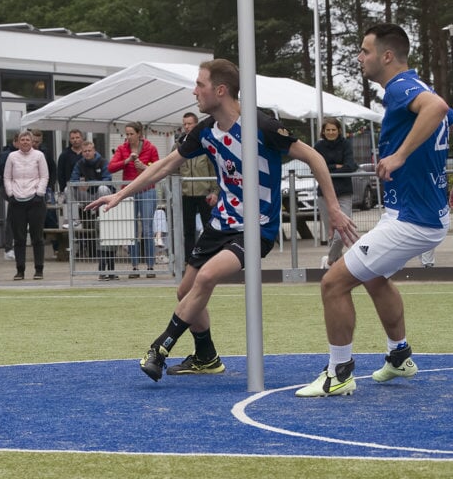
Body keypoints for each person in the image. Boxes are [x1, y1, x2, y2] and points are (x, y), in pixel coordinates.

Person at [86, 58, 356, 382]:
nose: (194, 92)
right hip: (221, 223)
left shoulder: (262, 126)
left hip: (257, 227)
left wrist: (335, 209)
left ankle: (159, 348)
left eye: (200, 85)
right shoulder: (205, 131)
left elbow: (314, 157)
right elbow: (166, 165)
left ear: (221, 90)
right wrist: (120, 195)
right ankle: (206, 356)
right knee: (185, 291)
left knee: (206, 278)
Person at [296, 23, 450, 397]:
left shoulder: (402, 86)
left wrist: (399, 154)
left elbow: (439, 107)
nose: (360, 58)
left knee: (333, 283)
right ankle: (399, 355)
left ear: (386, 56)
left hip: (414, 219)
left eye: (365, 51)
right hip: (417, 213)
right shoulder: (411, 88)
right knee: (372, 276)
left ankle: (339, 372)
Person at [107, 121, 160, 278]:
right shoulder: (122, 149)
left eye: (131, 134)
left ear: (139, 134)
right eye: (127, 134)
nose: (129, 137)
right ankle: (134, 266)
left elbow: (159, 167)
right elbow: (111, 167)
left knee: (147, 228)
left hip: (147, 190)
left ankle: (150, 266)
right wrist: (126, 161)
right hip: (129, 191)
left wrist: (145, 167)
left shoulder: (150, 148)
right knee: (131, 230)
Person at [312, 117, 358, 269]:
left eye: (333, 129)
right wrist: (336, 166)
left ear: (339, 130)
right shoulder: (318, 146)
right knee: (331, 235)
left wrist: (327, 168)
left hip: (344, 192)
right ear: (323, 131)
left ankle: (329, 261)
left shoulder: (346, 144)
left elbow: (351, 166)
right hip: (324, 194)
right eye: (328, 130)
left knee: (342, 233)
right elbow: (315, 169)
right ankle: (336, 268)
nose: (331, 132)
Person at [4, 130, 49, 281]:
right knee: (19, 238)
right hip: (17, 201)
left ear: (31, 141)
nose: (25, 142)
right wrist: (11, 194)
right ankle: (20, 269)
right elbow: (7, 177)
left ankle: (39, 269)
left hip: (35, 201)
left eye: (27, 140)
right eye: (22, 139)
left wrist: (39, 193)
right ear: (18, 142)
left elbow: (44, 176)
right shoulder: (12, 156)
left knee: (37, 237)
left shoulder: (39, 156)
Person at [70, 140, 114, 279]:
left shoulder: (103, 162)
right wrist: (80, 185)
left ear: (94, 150)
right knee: (68, 189)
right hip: (87, 194)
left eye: (89, 151)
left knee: (103, 188)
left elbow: (108, 179)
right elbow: (73, 178)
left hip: (101, 194)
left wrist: (90, 184)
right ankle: (73, 219)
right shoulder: (80, 163)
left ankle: (103, 211)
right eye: (84, 151)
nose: (87, 153)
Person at [177, 112, 216, 259]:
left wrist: (215, 192)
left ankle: (208, 257)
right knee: (188, 230)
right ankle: (189, 259)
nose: (187, 127)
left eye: (189, 124)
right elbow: (172, 168)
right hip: (186, 194)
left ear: (196, 124)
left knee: (208, 227)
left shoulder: (205, 142)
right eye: (184, 124)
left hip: (204, 193)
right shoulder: (178, 145)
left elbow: (213, 169)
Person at [57, 129, 85, 194]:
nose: (75, 140)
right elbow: (60, 174)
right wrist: (63, 189)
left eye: (77, 137)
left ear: (82, 138)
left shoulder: (87, 153)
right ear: (70, 140)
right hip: (70, 189)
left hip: (87, 189)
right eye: (73, 138)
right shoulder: (64, 155)